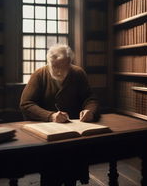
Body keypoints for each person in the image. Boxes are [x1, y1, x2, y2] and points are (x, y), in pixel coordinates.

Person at [20, 44, 100, 186]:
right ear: (48, 62)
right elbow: (26, 104)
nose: (56, 71)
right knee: (51, 174)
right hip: (49, 133)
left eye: (60, 66)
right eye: (53, 66)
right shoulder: (40, 74)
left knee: (72, 173)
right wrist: (50, 116)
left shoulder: (78, 73)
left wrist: (90, 111)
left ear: (69, 62)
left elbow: (90, 99)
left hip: (74, 132)